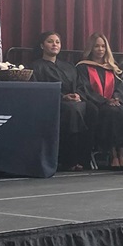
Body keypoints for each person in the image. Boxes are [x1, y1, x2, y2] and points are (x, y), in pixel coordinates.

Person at [31, 31, 97, 171]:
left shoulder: (69, 66)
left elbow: (80, 85)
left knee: (92, 109)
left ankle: (84, 157)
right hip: (54, 103)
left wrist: (78, 95)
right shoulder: (36, 66)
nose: (54, 44)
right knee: (73, 110)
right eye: (50, 41)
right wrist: (63, 97)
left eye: (57, 42)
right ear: (42, 46)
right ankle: (70, 159)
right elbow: (39, 90)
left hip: (75, 101)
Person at [76, 33, 123, 169]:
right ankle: (112, 154)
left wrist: (116, 99)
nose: (100, 49)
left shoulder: (113, 68)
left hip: (115, 103)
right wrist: (105, 101)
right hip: (97, 104)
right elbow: (85, 89)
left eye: (103, 46)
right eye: (97, 46)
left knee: (122, 111)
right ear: (91, 48)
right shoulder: (83, 67)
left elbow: (120, 87)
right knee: (110, 112)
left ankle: (122, 153)